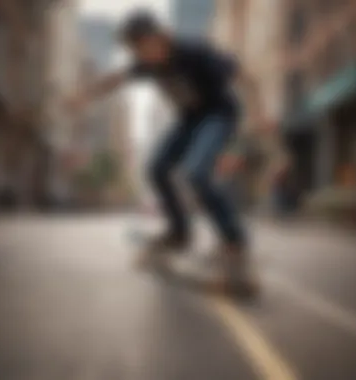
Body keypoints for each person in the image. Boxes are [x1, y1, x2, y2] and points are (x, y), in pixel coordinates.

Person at [65, 11, 266, 293]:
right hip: (189, 121)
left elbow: (248, 78)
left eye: (146, 47)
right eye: (137, 51)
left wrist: (258, 117)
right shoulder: (146, 64)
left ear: (161, 38)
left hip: (219, 116)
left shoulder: (195, 52)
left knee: (196, 173)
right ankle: (179, 233)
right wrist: (83, 96)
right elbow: (116, 79)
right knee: (155, 168)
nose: (145, 57)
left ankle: (234, 243)